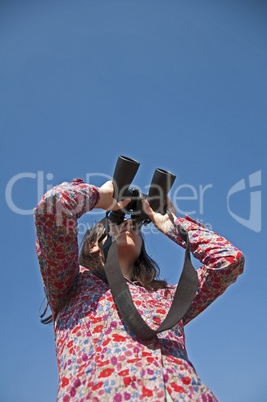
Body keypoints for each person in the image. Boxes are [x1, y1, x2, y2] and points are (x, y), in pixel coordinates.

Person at [34, 178, 244, 402]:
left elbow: (228, 261)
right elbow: (52, 208)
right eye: (115, 223)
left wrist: (172, 225)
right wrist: (101, 197)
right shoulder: (71, 285)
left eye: (134, 226)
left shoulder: (165, 297)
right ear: (94, 244)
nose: (129, 225)